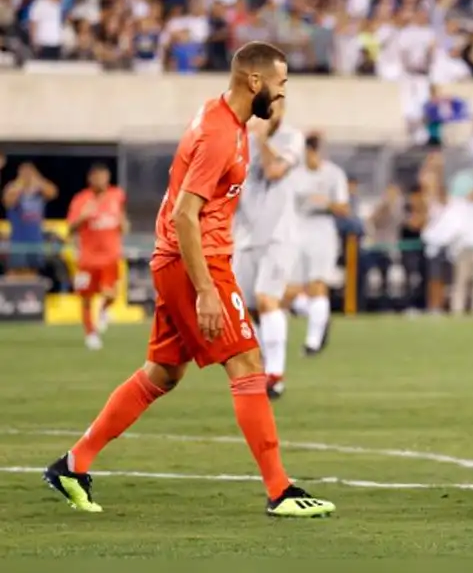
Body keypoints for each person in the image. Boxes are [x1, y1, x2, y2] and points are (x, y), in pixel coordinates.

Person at [42, 41, 335, 518]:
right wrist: (205, 290)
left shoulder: (224, 117)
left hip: (176, 259)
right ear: (254, 82)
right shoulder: (221, 134)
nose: (283, 96)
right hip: (194, 260)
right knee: (247, 365)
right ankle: (280, 490)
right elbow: (184, 215)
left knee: (163, 372)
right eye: (280, 86)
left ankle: (72, 465)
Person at [232, 97, 304, 400]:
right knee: (246, 309)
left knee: (266, 298)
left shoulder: (292, 138)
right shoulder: (239, 141)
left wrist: (261, 139)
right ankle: (263, 370)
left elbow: (275, 171)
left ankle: (275, 373)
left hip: (278, 235)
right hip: (246, 236)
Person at [284, 132, 350, 357]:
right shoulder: (294, 175)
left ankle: (312, 343)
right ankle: (319, 317)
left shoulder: (334, 174)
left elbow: (343, 208)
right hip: (296, 231)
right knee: (289, 291)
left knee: (317, 284)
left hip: (322, 232)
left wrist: (327, 203)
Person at [66, 163, 128, 350]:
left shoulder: (116, 195)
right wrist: (83, 217)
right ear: (90, 179)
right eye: (97, 177)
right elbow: (70, 228)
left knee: (111, 294)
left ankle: (103, 311)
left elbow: (121, 219)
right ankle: (90, 334)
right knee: (86, 298)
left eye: (104, 177)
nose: (101, 181)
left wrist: (123, 224)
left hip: (110, 256)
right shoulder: (81, 200)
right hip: (87, 259)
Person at [2, 162, 58, 279]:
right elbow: (7, 200)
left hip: (35, 239)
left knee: (33, 271)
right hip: (18, 239)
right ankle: (11, 295)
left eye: (30, 173)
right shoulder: (14, 189)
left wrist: (38, 180)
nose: (27, 176)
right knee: (15, 271)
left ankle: (30, 295)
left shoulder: (39, 192)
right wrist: (20, 184)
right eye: (24, 173)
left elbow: (53, 192)